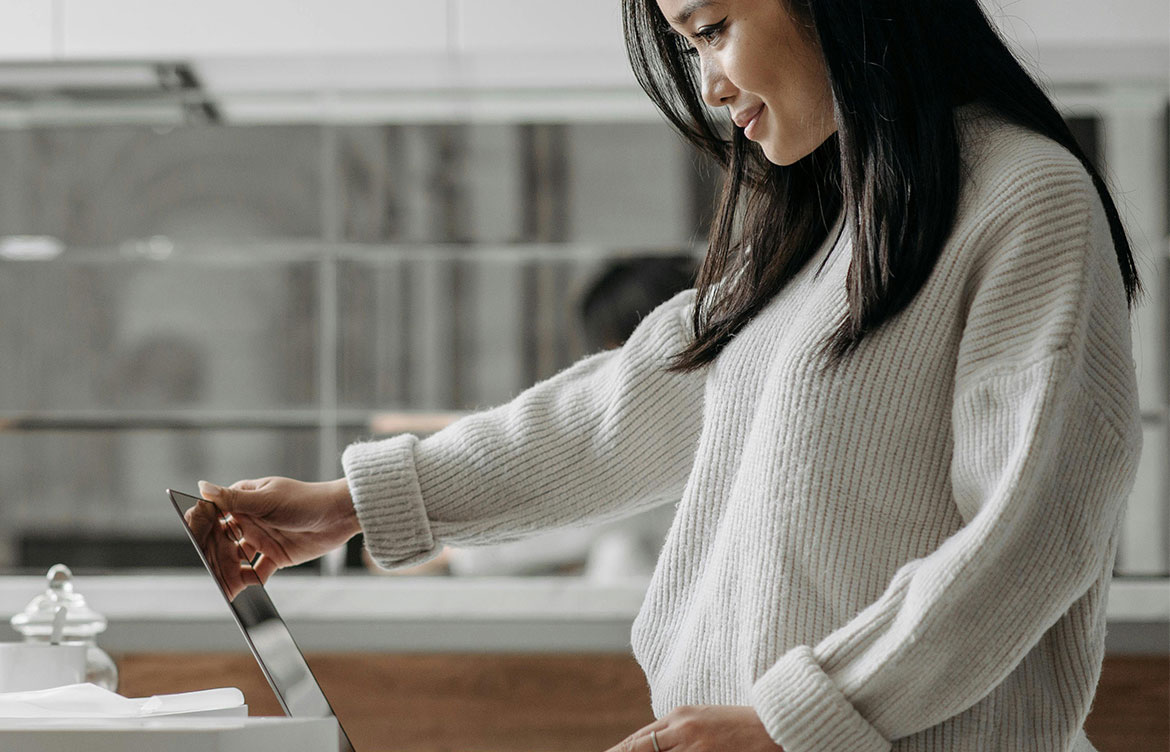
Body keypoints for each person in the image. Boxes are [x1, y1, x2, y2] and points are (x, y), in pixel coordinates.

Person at [194, 1, 1144, 750]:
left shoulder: (1025, 198)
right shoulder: (823, 225)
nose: (710, 85)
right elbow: (616, 411)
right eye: (690, 47)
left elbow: (1031, 532)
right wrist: (355, 502)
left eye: (714, 30)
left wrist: (793, 721)